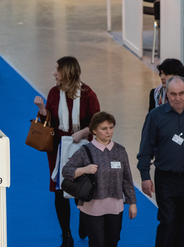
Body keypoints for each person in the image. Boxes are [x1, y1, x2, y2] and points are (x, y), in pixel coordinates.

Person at [137, 76, 184, 247]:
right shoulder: (154, 117)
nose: (177, 98)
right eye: (173, 94)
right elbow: (145, 149)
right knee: (168, 222)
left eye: (181, 93)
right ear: (167, 93)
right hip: (166, 180)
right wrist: (145, 176)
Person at [34, 57, 102, 247]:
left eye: (58, 70)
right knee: (60, 190)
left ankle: (84, 218)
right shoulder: (54, 93)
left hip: (82, 149)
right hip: (58, 150)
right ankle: (66, 234)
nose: (54, 73)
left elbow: (97, 121)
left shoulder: (88, 94)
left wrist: (82, 132)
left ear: (68, 72)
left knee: (82, 187)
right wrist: (42, 109)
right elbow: (49, 122)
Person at [62, 112, 137, 247]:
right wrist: (84, 170)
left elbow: (127, 178)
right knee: (97, 243)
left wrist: (132, 203)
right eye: (104, 128)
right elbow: (66, 170)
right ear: (94, 130)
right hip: (92, 206)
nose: (109, 132)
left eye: (111, 127)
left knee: (113, 241)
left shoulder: (120, 150)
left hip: (115, 206)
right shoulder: (85, 151)